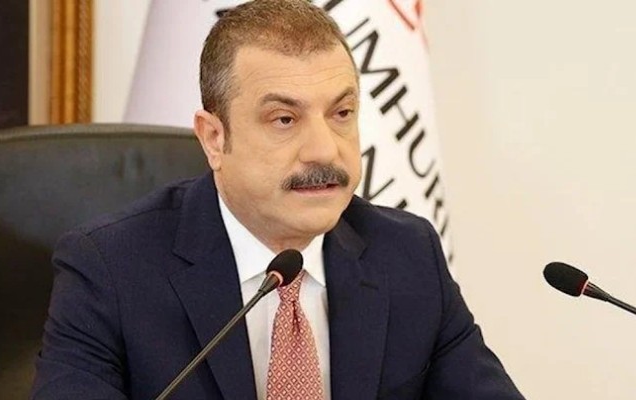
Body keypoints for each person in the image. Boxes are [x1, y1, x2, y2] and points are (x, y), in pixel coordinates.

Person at [31, 1, 525, 399]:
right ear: (214, 139)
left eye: (342, 113)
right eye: (285, 120)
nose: (324, 150)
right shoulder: (111, 269)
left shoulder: (407, 254)